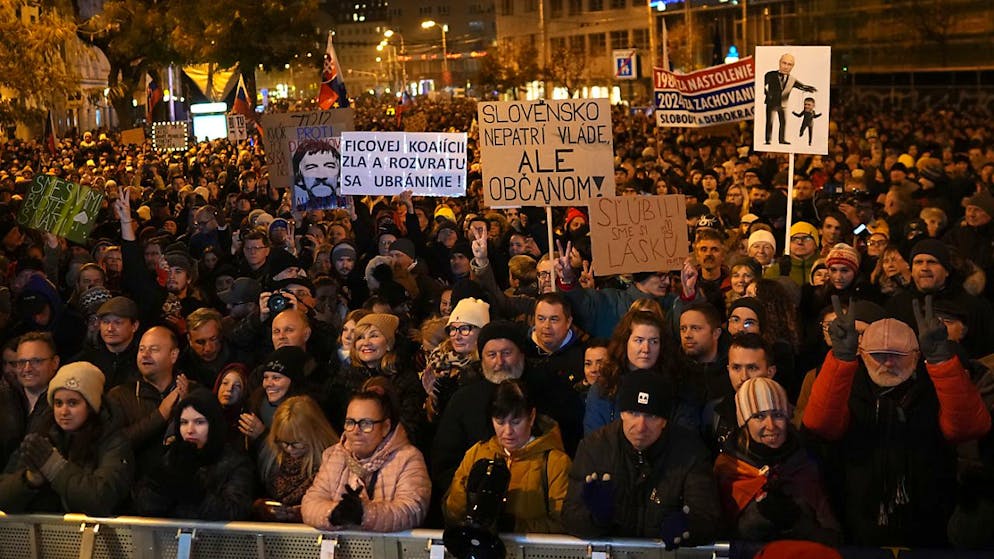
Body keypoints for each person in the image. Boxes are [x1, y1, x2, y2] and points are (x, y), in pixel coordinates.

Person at [803, 296, 991, 546]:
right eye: (879, 355)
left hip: (929, 517)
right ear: (863, 354)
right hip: (859, 515)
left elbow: (968, 428)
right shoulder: (848, 383)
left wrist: (942, 362)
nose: (888, 362)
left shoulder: (934, 383)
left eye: (897, 354)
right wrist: (840, 359)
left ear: (915, 355)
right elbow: (820, 425)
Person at [562, 370, 722, 545]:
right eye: (633, 413)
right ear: (622, 413)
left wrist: (689, 529)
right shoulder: (595, 447)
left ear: (664, 421)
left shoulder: (690, 452)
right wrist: (595, 518)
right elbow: (570, 517)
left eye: (650, 416)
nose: (640, 426)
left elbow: (707, 517)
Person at [713, 377, 841, 544]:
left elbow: (833, 538)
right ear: (744, 422)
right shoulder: (729, 469)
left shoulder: (805, 464)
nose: (771, 425)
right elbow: (720, 535)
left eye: (778, 415)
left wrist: (795, 521)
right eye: (759, 416)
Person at [0, 362, 134, 516]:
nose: (64, 411)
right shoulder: (43, 435)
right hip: (45, 530)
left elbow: (102, 499)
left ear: (91, 406)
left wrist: (54, 466)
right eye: (58, 403)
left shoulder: (113, 441)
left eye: (72, 403)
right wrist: (30, 480)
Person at [301, 380, 431, 532]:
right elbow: (310, 503)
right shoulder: (333, 456)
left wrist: (365, 513)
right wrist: (335, 513)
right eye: (350, 422)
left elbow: (412, 510)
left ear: (385, 427)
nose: (356, 431)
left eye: (366, 424)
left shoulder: (408, 458)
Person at [444, 379, 571, 533]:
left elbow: (563, 524)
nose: (508, 431)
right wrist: (466, 494)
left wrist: (512, 525)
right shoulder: (477, 453)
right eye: (500, 422)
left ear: (531, 417)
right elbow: (451, 513)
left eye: (516, 422)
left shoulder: (555, 462)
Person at [132, 390, 255, 520]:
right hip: (169, 532)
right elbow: (144, 505)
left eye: (199, 422)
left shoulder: (235, 463)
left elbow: (235, 510)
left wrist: (195, 492)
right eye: (184, 422)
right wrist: (162, 488)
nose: (190, 430)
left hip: (212, 533)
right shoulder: (170, 456)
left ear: (213, 424)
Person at [254, 395, 339, 522]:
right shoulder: (270, 457)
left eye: (296, 443)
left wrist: (302, 513)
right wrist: (262, 508)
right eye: (283, 442)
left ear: (314, 434)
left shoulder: (333, 462)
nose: (289, 449)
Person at [421, 297, 489, 424]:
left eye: (465, 329)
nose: (457, 336)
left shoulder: (487, 369)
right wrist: (434, 399)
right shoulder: (439, 363)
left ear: (482, 331)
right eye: (453, 329)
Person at [764, 52, 816, 145]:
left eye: (789, 64)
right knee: (769, 122)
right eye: (784, 63)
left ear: (792, 66)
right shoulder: (770, 74)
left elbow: (802, 86)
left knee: (783, 123)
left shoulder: (792, 79)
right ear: (780, 62)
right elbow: (764, 86)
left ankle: (782, 139)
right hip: (772, 103)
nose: (786, 66)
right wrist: (768, 94)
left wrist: (811, 88)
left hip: (783, 105)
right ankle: (768, 140)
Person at [292, 138, 346, 211]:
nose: (321, 176)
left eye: (329, 166)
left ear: (339, 175)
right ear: (299, 177)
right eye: (311, 167)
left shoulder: (350, 207)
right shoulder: (298, 211)